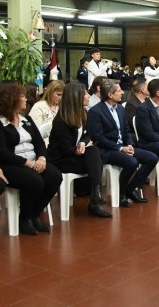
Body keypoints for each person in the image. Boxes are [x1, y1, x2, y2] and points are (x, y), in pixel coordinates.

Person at [0, 83, 62, 235]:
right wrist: (28, 163)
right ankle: (25, 218)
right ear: (10, 100)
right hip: (10, 165)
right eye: (22, 96)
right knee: (35, 181)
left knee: (55, 177)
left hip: (34, 161)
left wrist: (41, 158)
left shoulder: (25, 119)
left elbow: (39, 142)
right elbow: (0, 153)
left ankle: (35, 214)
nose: (25, 99)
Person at [88, 79, 158, 207]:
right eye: (119, 90)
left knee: (151, 158)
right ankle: (121, 194)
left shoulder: (120, 108)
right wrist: (120, 149)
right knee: (132, 162)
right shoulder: (95, 111)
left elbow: (126, 130)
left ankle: (131, 189)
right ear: (110, 95)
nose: (122, 93)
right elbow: (98, 138)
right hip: (107, 150)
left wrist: (130, 144)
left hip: (123, 147)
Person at [47, 83, 112, 218]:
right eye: (86, 94)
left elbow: (88, 134)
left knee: (94, 153)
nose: (89, 96)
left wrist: (83, 143)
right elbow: (65, 150)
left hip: (76, 154)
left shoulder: (83, 113)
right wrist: (79, 149)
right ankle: (95, 200)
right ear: (76, 97)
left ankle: (95, 197)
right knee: (95, 157)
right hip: (60, 160)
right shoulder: (61, 121)